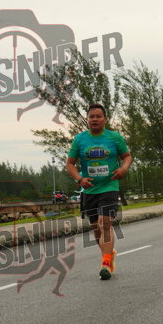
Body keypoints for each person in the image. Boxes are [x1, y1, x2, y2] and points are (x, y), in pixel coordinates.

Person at [66, 103, 132, 280]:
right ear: (87, 119)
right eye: (91, 117)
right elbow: (70, 164)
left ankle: (106, 263)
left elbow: (127, 156)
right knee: (96, 228)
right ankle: (108, 254)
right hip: (89, 190)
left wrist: (124, 168)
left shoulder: (114, 137)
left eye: (98, 116)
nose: (94, 119)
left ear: (105, 119)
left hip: (109, 187)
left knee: (105, 223)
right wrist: (79, 179)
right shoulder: (80, 139)